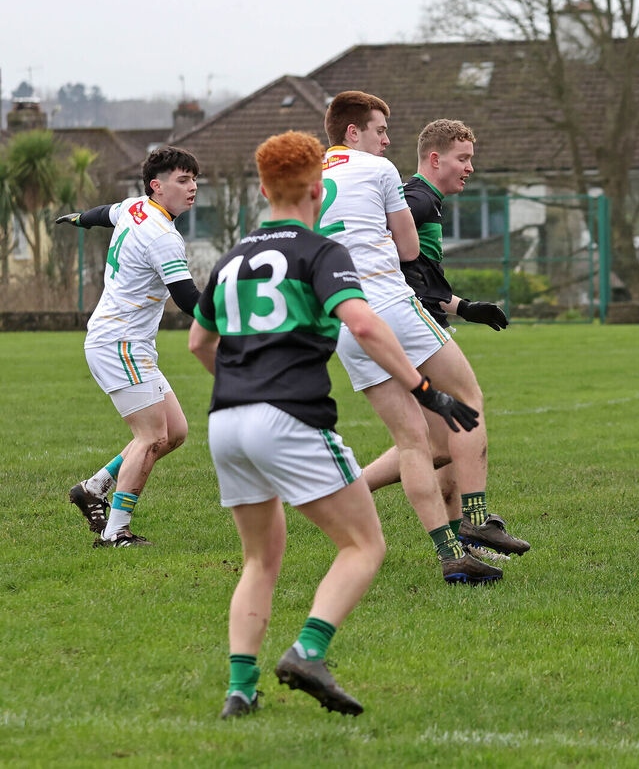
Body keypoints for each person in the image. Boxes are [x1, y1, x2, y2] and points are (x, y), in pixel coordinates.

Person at [187, 130, 477, 719]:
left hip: (226, 422)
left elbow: (199, 341)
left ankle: (240, 690)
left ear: (264, 189)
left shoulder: (232, 257)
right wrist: (424, 389)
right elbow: (366, 327)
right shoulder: (321, 252)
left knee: (260, 560)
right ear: (318, 189)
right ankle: (308, 651)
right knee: (363, 545)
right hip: (289, 416)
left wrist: (240, 384)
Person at [319, 93, 526, 586]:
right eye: (380, 130)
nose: (387, 140)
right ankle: (477, 518)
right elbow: (408, 248)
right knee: (468, 401)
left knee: (417, 442)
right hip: (392, 308)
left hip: (344, 321)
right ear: (354, 132)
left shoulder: (308, 174)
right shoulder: (382, 171)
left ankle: (452, 554)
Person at [369, 118, 528, 560]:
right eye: (463, 159)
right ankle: (476, 523)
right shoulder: (415, 198)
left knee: (444, 445)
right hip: (401, 323)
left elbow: (416, 276)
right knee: (463, 411)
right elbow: (386, 258)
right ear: (435, 159)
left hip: (401, 320)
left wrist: (464, 307)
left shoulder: (423, 200)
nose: (470, 168)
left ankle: (462, 545)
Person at [57, 147, 203, 547]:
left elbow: (105, 212)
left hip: (125, 343)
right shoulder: (161, 235)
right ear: (157, 186)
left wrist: (78, 219)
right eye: (183, 180)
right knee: (151, 436)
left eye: (194, 179)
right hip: (119, 344)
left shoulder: (137, 207)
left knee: (174, 433)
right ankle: (116, 532)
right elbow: (189, 300)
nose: (192, 188)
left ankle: (92, 488)